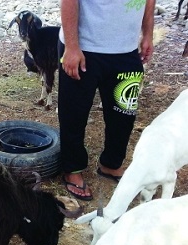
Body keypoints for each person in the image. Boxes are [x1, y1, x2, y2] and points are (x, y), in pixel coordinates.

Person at [58, 0, 155, 201]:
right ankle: (72, 168)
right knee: (74, 114)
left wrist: (147, 33)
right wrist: (72, 46)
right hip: (85, 47)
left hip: (126, 50)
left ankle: (111, 164)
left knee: (124, 114)